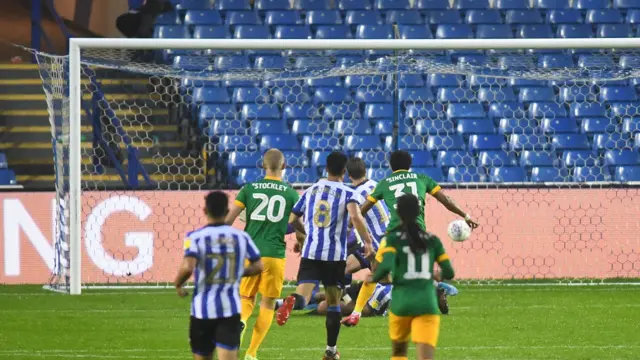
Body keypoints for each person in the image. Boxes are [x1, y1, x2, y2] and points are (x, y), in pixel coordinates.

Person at [342, 150, 477, 327]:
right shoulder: (421, 178)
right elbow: (445, 200)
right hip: (418, 235)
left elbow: (363, 208)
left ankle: (356, 313)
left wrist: (349, 225)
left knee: (376, 274)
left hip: (393, 236)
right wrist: (465, 215)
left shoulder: (384, 183)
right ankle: (435, 286)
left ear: (391, 166)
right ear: (409, 164)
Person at [277, 151, 375, 360]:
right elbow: (356, 216)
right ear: (344, 171)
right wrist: (367, 241)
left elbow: (293, 218)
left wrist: (306, 232)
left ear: (326, 168)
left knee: (303, 296)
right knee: (333, 304)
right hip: (334, 256)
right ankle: (331, 351)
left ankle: (292, 300)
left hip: (311, 252)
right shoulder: (348, 193)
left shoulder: (311, 190)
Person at [224, 149, 301, 360]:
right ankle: (251, 352)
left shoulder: (248, 189)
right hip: (275, 255)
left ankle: (241, 321)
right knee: (267, 303)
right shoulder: (291, 193)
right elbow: (297, 223)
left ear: (262, 165)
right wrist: (302, 240)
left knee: (246, 297)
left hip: (250, 252)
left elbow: (229, 220)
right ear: (284, 167)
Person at [174, 191, 264, 360]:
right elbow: (258, 265)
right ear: (227, 210)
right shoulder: (241, 237)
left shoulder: (195, 238)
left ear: (204, 210)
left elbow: (188, 267)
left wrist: (178, 283)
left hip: (202, 311)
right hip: (229, 309)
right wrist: (236, 272)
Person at [369, 194, 455, 360]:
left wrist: (372, 278)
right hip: (426, 303)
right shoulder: (432, 240)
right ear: (419, 212)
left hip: (402, 303)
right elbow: (449, 272)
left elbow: (385, 267)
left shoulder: (392, 239)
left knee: (399, 353)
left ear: (398, 213)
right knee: (425, 357)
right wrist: (436, 274)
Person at [344, 157, 389, 277]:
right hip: (390, 235)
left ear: (349, 176)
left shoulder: (356, 195)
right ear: (365, 171)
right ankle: (347, 296)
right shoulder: (378, 184)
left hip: (377, 242)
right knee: (346, 267)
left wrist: (347, 231)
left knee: (383, 280)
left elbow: (353, 219)